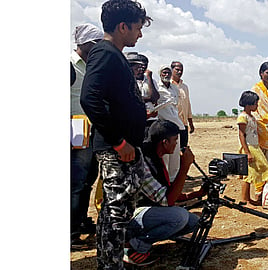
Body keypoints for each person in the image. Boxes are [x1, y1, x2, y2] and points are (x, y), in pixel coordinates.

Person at [80, 0, 152, 269]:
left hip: (124, 148)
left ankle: (111, 263)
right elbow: (90, 99)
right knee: (115, 213)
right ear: (123, 27)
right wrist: (119, 142)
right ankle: (110, 265)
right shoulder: (105, 53)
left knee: (119, 213)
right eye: (137, 28)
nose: (140, 34)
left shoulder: (113, 54)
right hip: (116, 150)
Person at [123, 119, 200, 266]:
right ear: (164, 142)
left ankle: (144, 239)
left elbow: (165, 193)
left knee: (194, 222)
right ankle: (133, 246)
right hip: (130, 217)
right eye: (175, 141)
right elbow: (167, 200)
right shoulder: (143, 162)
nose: (177, 145)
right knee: (179, 217)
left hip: (147, 212)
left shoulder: (156, 156)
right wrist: (184, 167)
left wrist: (197, 194)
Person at [70, 23, 104, 249]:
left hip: (89, 131)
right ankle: (70, 232)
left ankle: (80, 221)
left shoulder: (90, 65)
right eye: (97, 45)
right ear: (87, 44)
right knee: (76, 182)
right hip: (75, 130)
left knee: (88, 180)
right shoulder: (70, 65)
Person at [237, 91, 268, 208]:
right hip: (249, 148)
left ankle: (250, 198)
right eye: (255, 104)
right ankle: (244, 200)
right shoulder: (243, 117)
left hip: (255, 147)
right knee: (248, 175)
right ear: (248, 104)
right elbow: (242, 135)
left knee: (258, 171)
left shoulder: (251, 117)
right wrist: (247, 152)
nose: (257, 106)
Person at [155, 65, 185, 183]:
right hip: (163, 128)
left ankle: (173, 184)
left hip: (176, 126)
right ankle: (164, 184)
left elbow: (175, 106)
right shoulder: (157, 87)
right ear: (160, 74)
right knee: (165, 158)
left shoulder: (174, 88)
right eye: (164, 73)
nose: (166, 75)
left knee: (175, 158)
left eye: (168, 72)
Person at [125, 52, 159, 120]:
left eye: (145, 65)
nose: (142, 67)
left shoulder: (151, 81)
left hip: (151, 118)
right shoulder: (127, 80)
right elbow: (132, 99)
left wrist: (149, 77)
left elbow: (155, 98)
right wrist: (149, 98)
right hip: (134, 118)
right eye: (140, 65)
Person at [170, 61, 194, 149]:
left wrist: (191, 123)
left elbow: (188, 105)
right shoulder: (167, 86)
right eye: (177, 70)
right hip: (172, 124)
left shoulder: (185, 87)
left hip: (184, 124)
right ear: (171, 70)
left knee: (183, 149)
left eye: (181, 70)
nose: (179, 72)